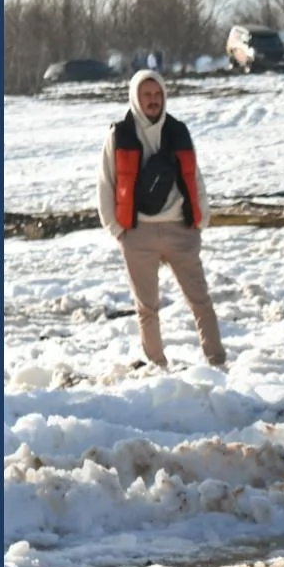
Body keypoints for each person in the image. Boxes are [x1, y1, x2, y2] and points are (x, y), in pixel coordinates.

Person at [96, 70, 226, 368]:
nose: (153, 101)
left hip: (181, 229)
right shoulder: (119, 134)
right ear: (135, 97)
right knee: (147, 307)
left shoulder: (178, 130)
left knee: (201, 301)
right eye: (147, 95)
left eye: (157, 95)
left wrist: (201, 220)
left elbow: (196, 176)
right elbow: (106, 183)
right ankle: (157, 366)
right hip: (137, 233)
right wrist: (116, 229)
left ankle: (217, 361)